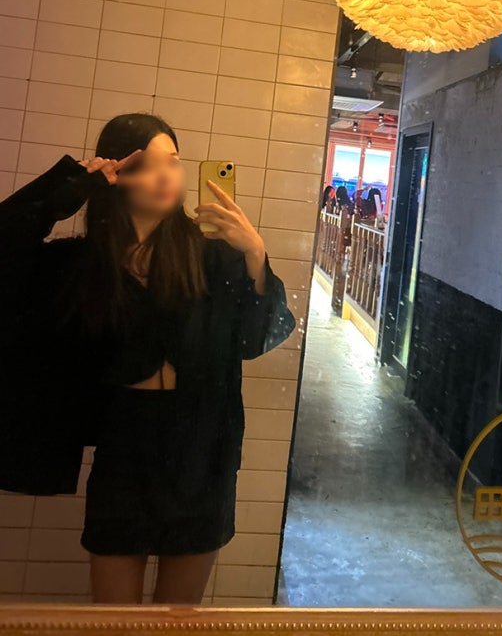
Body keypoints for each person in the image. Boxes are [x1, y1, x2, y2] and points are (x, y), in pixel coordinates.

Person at [0, 113, 294, 605]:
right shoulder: (82, 263)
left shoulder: (213, 254)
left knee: (178, 620)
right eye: (147, 164)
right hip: (124, 445)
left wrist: (256, 257)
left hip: (202, 448)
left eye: (173, 162)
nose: (165, 176)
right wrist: (67, 189)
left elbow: (255, 339)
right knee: (115, 620)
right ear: (116, 173)